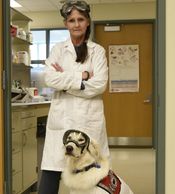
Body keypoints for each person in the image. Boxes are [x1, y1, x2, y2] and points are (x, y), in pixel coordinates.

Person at [38, 1, 110, 194]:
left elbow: (99, 85)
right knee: (52, 169)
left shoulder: (98, 52)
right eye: (72, 20)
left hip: (88, 120)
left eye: (80, 19)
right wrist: (82, 77)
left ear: (87, 22)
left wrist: (66, 82)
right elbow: (49, 78)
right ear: (66, 24)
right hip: (62, 119)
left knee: (91, 174)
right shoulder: (58, 50)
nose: (76, 24)